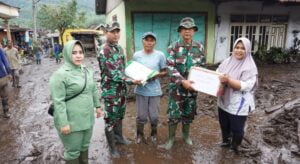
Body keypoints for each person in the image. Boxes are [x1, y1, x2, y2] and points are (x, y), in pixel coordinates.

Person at [49, 40, 103, 163]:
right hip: (71, 121)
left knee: (84, 147)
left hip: (87, 119)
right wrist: (64, 123)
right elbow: (58, 101)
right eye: (74, 53)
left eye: (80, 52)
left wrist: (98, 106)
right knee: (72, 151)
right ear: (67, 54)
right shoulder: (60, 75)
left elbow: (93, 89)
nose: (78, 55)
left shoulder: (86, 71)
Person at [160, 17, 206, 150]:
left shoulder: (199, 47)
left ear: (194, 31)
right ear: (180, 31)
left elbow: (202, 67)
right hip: (177, 89)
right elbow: (169, 67)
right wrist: (182, 81)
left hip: (192, 89)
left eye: (190, 29)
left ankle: (186, 136)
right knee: (174, 115)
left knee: (188, 113)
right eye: (184, 29)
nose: (187, 32)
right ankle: (170, 139)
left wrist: (204, 82)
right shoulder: (173, 47)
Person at [97, 21, 141, 158]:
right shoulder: (104, 50)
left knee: (120, 115)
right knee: (110, 119)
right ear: (106, 33)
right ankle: (112, 148)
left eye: (117, 31)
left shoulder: (119, 48)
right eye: (112, 32)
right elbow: (113, 73)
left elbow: (123, 68)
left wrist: (134, 71)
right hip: (111, 92)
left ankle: (119, 137)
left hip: (121, 90)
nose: (116, 34)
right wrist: (132, 80)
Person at [217, 37, 258, 154]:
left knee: (237, 128)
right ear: (233, 48)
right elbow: (218, 72)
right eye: (237, 47)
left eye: (243, 48)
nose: (239, 50)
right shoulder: (227, 61)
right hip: (224, 99)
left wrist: (228, 80)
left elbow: (246, 86)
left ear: (248, 50)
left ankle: (235, 146)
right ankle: (226, 141)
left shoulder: (250, 67)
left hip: (239, 103)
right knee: (224, 124)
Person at [132, 32, 167, 144]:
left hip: (155, 91)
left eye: (152, 40)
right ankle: (139, 134)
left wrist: (156, 75)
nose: (149, 42)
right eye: (147, 40)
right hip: (141, 90)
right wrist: (135, 79)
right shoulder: (136, 55)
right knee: (141, 116)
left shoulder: (160, 55)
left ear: (155, 42)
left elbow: (165, 71)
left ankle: (153, 133)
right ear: (143, 41)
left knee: (154, 116)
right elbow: (133, 71)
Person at [0, 43, 11, 118]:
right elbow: (6, 62)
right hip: (2, 77)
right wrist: (9, 72)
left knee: (4, 96)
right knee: (4, 96)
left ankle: (6, 111)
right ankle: (6, 112)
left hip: (2, 77)